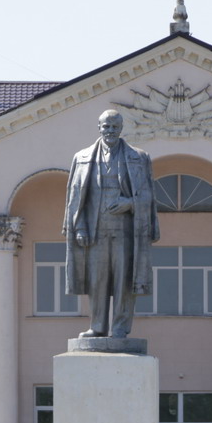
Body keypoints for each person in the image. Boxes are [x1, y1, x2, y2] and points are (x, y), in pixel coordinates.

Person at [62, 109, 159, 338]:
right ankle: (97, 326)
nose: (110, 131)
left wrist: (130, 203)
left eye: (115, 127)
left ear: (121, 129)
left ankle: (120, 328)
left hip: (126, 231)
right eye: (106, 126)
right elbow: (76, 198)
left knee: (124, 282)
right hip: (95, 231)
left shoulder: (138, 157)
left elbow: (148, 196)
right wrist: (81, 227)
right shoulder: (83, 157)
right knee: (98, 281)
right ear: (99, 127)